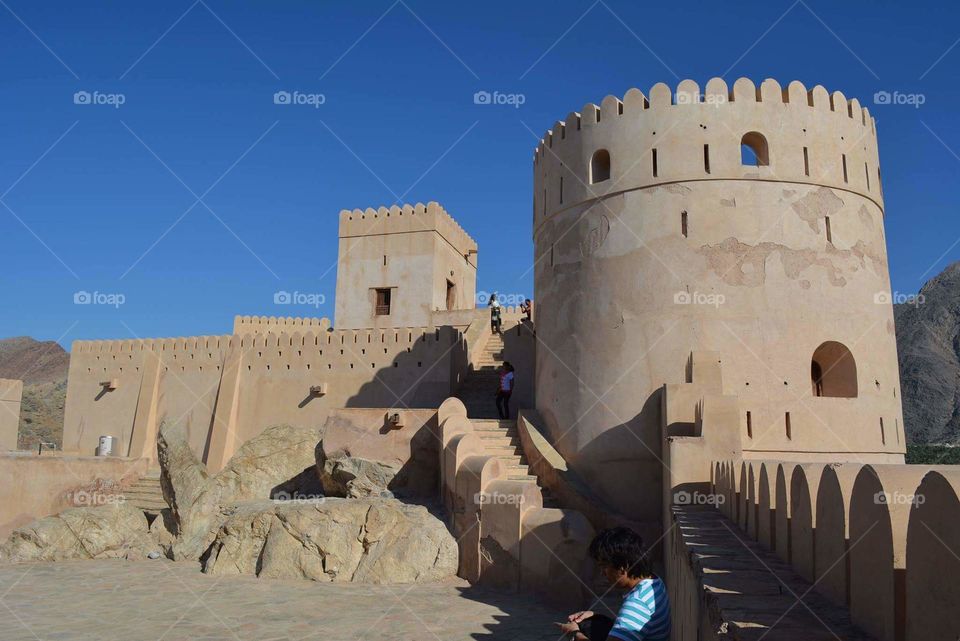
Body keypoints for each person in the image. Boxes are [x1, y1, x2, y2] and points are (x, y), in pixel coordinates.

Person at [556, 527, 670, 641]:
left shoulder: (637, 602)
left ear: (623, 567)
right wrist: (596, 616)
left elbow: (633, 613)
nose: (602, 573)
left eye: (604, 566)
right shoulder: (653, 580)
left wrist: (574, 633)